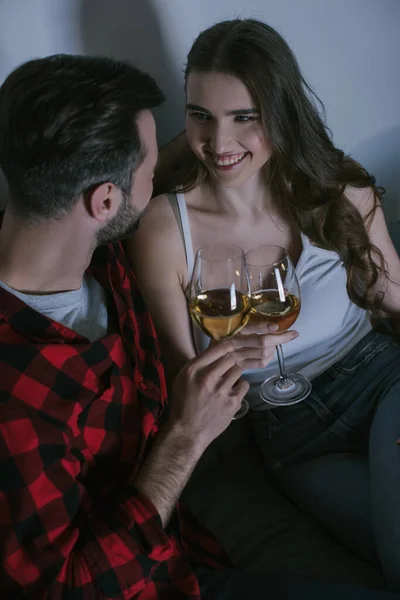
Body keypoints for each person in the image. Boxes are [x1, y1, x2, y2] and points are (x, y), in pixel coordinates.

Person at [3, 53, 389, 600]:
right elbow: (72, 589)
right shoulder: (19, 395)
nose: (166, 166)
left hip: (212, 506)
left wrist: (253, 127)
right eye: (150, 163)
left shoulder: (87, 245)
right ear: (106, 200)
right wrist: (186, 435)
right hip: (153, 570)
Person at [127, 19, 400, 592]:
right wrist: (228, 360)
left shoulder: (338, 190)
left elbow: (395, 296)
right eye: (201, 114)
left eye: (244, 117)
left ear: (279, 112)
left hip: (379, 386)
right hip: (291, 438)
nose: (219, 143)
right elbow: (185, 383)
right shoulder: (164, 229)